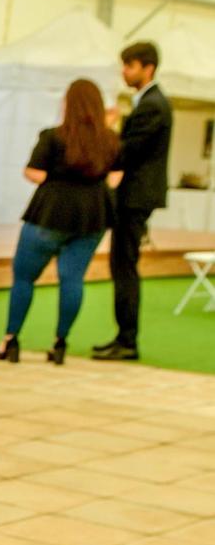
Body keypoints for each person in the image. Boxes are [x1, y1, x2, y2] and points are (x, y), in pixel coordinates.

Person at [0, 78, 121, 364]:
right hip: (92, 217)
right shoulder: (110, 140)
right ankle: (60, 344)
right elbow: (115, 177)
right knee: (72, 279)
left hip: (50, 213)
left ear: (68, 104)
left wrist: (56, 178)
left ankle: (10, 342)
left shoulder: (53, 136)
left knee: (24, 277)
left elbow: (33, 172)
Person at [92, 39, 171, 361]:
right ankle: (123, 337)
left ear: (147, 68)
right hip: (135, 195)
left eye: (130, 65)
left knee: (125, 267)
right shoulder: (146, 102)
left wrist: (105, 130)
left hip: (136, 197)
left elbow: (127, 152)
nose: (124, 71)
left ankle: (127, 340)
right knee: (121, 265)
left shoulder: (153, 104)